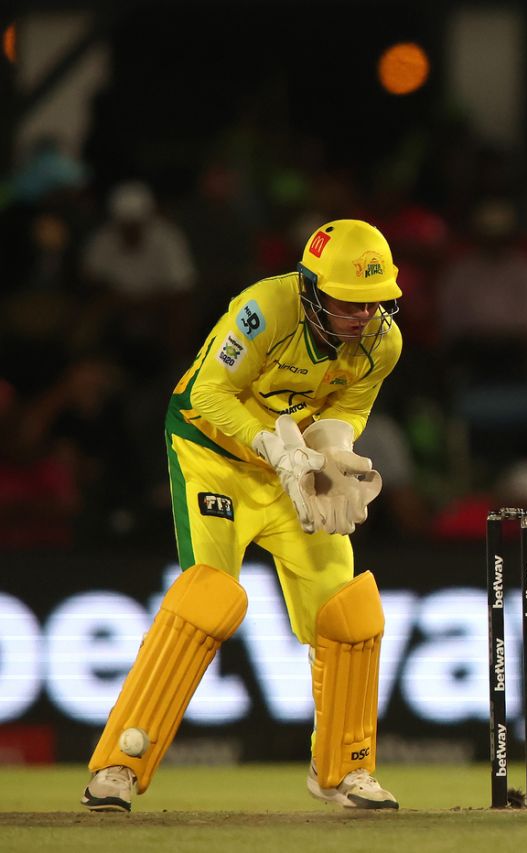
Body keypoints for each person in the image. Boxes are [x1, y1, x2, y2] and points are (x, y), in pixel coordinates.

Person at [81, 219, 404, 812]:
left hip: (294, 469)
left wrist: (331, 454)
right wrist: (271, 448)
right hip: (214, 457)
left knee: (348, 612)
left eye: (374, 302)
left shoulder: (383, 343)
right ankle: (120, 766)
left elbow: (348, 411)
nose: (363, 316)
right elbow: (206, 394)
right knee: (206, 601)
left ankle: (344, 771)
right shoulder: (264, 309)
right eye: (348, 301)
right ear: (310, 289)